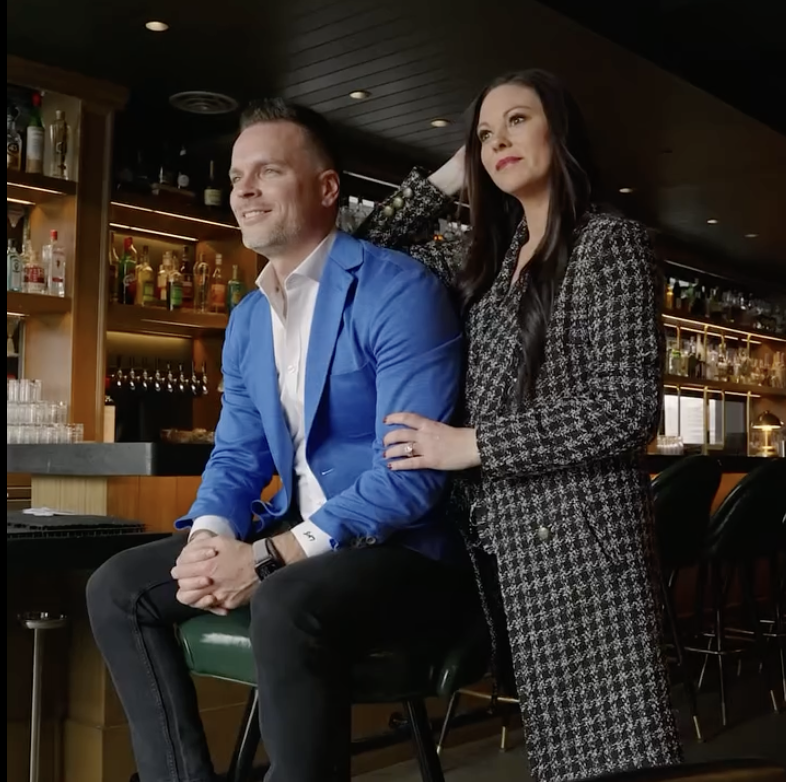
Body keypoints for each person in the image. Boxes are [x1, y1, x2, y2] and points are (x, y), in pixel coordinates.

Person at [86, 98, 472, 782]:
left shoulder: (397, 291)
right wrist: (210, 538)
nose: (243, 189)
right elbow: (238, 454)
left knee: (285, 599)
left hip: (405, 553)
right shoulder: (247, 319)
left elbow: (411, 475)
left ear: (327, 189)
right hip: (298, 541)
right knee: (117, 587)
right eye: (237, 174)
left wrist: (268, 558)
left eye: (268, 172)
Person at [356, 69, 683, 781]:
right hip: (510, 548)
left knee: (616, 762)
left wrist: (472, 444)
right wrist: (450, 173)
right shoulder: (485, 261)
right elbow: (365, 248)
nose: (498, 141)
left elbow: (627, 406)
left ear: (557, 132)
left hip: (586, 547)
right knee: (565, 762)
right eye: (484, 133)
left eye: (516, 122)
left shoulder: (610, 243)